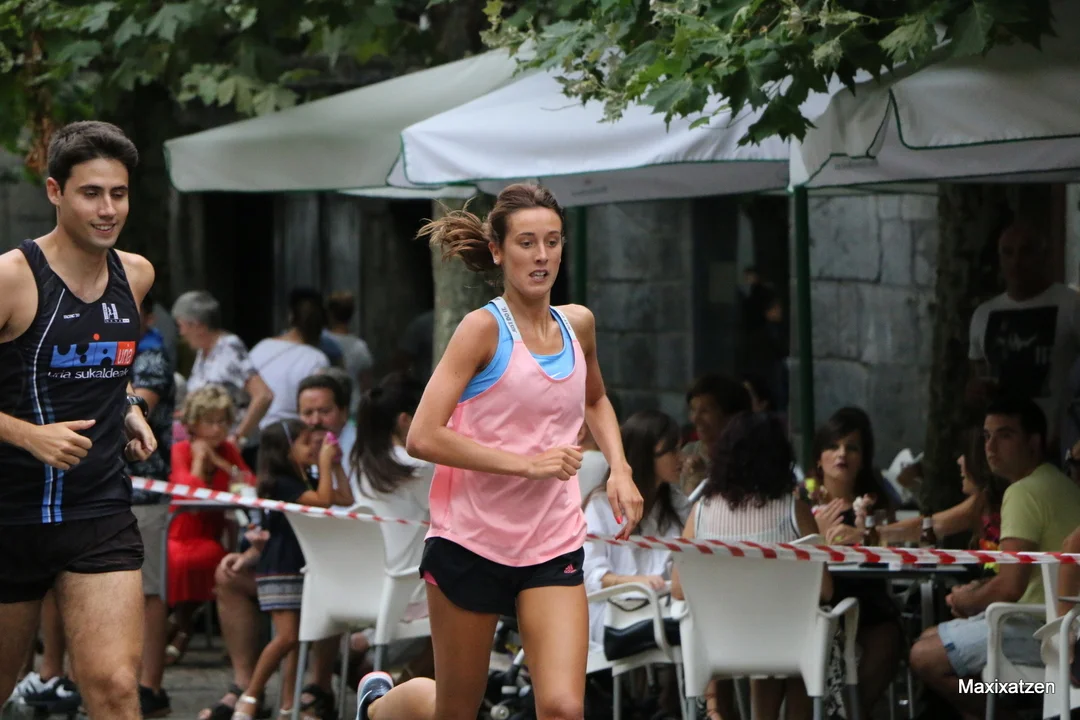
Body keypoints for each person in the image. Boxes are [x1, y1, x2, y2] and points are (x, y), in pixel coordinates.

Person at [353, 183, 642, 720]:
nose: (542, 255)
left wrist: (620, 470)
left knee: (563, 708)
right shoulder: (481, 330)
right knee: (456, 711)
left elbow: (595, 399)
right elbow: (422, 435)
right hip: (471, 540)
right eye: (527, 243)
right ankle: (376, 707)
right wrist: (527, 465)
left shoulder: (578, 324)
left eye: (552, 241)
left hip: (552, 542)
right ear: (497, 251)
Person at [0, 121, 157, 718]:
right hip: (9, 512)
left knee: (115, 685)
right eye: (91, 193)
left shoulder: (135, 275)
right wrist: (26, 434)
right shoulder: (12, 277)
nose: (108, 209)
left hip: (98, 509)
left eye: (119, 193)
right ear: (55, 191)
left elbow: (107, 363)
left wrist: (129, 406)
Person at [909, 396, 1080, 718]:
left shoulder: (1024, 491)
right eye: (987, 436)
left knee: (923, 656)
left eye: (1005, 435)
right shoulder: (1059, 483)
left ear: (1034, 443)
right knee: (932, 637)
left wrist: (966, 600)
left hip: (1045, 628)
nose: (990, 447)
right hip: (1056, 624)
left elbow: (1009, 587)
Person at [672, 412, 829, 720]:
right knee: (807, 633)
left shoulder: (700, 513)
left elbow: (678, 588)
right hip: (788, 644)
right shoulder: (795, 512)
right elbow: (824, 590)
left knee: (784, 639)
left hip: (720, 644)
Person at [231, 419, 335, 719]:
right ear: (285, 450)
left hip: (300, 564)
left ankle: (288, 706)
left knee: (297, 640)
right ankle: (250, 695)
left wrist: (334, 467)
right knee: (287, 637)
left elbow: (343, 498)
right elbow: (324, 501)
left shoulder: (306, 480)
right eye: (305, 442)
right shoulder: (281, 483)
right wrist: (326, 463)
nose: (313, 447)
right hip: (280, 564)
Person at [967, 223, 1080, 453]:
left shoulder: (1072, 306)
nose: (1016, 262)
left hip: (1060, 446)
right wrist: (975, 392)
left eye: (1026, 251)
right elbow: (977, 379)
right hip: (1003, 450)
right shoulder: (983, 315)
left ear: (1044, 256)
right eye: (1008, 252)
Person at [582, 410, 689, 650]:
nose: (681, 458)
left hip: (666, 608)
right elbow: (590, 574)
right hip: (615, 613)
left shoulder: (677, 504)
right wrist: (637, 582)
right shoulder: (602, 505)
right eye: (672, 451)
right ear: (646, 455)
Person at [166, 385, 252, 664]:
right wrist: (200, 460)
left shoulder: (228, 451)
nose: (217, 429)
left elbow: (248, 484)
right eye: (210, 422)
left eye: (222, 422)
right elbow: (187, 495)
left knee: (213, 557)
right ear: (194, 424)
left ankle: (180, 627)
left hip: (212, 533)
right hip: (181, 531)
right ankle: (182, 626)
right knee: (183, 559)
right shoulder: (180, 450)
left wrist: (217, 461)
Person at [127, 290, 177, 717]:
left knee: (149, 591)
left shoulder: (152, 357)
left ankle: (151, 686)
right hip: (110, 491)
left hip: (146, 491)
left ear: (147, 317)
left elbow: (137, 408)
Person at [172, 289, 274, 464]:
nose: (181, 333)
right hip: (210, 449)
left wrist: (238, 437)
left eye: (181, 326)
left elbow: (263, 395)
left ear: (198, 325)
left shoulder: (229, 348)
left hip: (234, 452)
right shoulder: (204, 351)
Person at [250, 289, 332, 430]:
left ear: (290, 317)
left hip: (256, 430)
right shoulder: (317, 359)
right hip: (293, 433)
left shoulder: (261, 348)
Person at [678, 374, 752, 496]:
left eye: (705, 411)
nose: (695, 418)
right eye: (693, 410)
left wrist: (704, 481)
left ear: (731, 417)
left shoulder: (748, 458)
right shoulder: (688, 452)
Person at [325, 291, 375, 412]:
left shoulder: (322, 342)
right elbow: (366, 385)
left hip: (327, 405)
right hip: (352, 406)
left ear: (329, 313)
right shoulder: (360, 346)